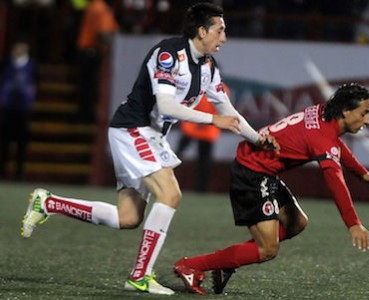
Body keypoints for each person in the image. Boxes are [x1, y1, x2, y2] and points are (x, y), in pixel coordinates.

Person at [20, 2, 279, 296]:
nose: (224, 38)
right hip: (132, 128)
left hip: (150, 134)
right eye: (220, 31)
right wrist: (212, 119)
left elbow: (228, 111)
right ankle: (140, 275)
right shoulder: (169, 54)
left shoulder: (208, 67)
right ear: (201, 30)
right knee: (170, 194)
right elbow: (166, 105)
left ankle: (49, 203)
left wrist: (257, 139)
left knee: (127, 218)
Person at [173, 83, 369, 295]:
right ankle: (191, 265)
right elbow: (336, 181)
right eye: (364, 113)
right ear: (345, 111)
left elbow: (333, 143)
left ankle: (226, 262)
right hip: (252, 173)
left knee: (297, 223)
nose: (368, 120)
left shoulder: (324, 113)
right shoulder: (323, 138)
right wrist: (353, 224)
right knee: (267, 250)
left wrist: (363, 173)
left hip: (262, 170)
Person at [76, 0, 119, 122]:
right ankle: (86, 117)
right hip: (91, 52)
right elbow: (103, 34)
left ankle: (84, 115)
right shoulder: (100, 8)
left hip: (86, 51)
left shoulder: (94, 5)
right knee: (89, 87)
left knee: (86, 86)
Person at [0, 39, 37, 180]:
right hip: (8, 107)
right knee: (5, 141)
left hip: (23, 109)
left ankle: (19, 172)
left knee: (22, 142)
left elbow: (34, 85)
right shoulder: (7, 63)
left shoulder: (31, 65)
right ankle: (3, 171)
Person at [176, 93, 221, 192]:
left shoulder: (220, 88)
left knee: (204, 161)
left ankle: (202, 188)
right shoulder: (196, 82)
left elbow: (220, 108)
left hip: (207, 128)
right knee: (176, 156)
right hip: (191, 124)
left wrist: (205, 121)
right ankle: (169, 182)